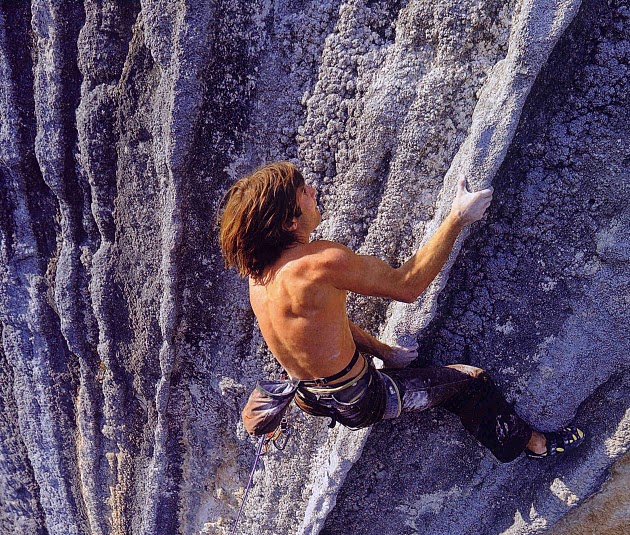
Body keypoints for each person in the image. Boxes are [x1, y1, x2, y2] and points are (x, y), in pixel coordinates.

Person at [218, 161, 584, 462]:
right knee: (471, 382)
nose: (312, 190)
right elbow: (407, 286)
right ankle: (531, 445)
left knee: (389, 375)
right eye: (303, 192)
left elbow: (322, 326)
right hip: (362, 400)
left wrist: (383, 351)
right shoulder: (319, 263)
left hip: (310, 398)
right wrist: (457, 218)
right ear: (288, 223)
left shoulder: (258, 277)